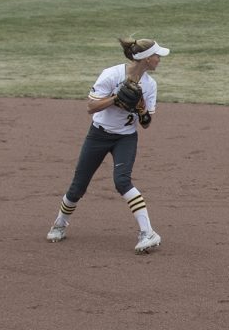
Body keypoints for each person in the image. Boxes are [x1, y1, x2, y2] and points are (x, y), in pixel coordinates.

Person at [46, 37, 170, 254]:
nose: (159, 59)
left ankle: (147, 233)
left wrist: (140, 110)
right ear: (145, 59)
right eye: (156, 55)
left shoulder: (150, 85)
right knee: (78, 187)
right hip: (98, 136)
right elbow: (91, 106)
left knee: (122, 181)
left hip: (126, 138)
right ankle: (60, 224)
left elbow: (147, 123)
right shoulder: (112, 74)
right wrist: (115, 98)